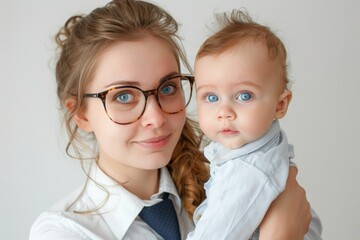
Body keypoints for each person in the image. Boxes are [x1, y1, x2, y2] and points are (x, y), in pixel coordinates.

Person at [30, 1, 313, 239]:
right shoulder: (63, 232)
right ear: (80, 112)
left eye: (167, 88)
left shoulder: (233, 174)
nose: (155, 117)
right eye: (124, 96)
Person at [188, 9, 322, 240]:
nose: (224, 112)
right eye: (211, 97)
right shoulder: (258, 147)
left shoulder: (248, 172)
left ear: (280, 105)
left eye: (244, 96)